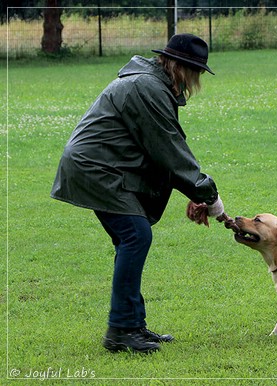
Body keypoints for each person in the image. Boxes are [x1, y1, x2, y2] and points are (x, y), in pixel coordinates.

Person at [51, 33, 225, 354]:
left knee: (132, 237)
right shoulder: (146, 88)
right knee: (135, 236)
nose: (197, 79)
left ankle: (132, 324)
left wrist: (195, 194)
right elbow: (169, 150)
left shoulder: (152, 85)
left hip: (106, 167)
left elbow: (160, 153)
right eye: (196, 71)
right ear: (180, 66)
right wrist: (210, 198)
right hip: (96, 169)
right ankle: (121, 331)